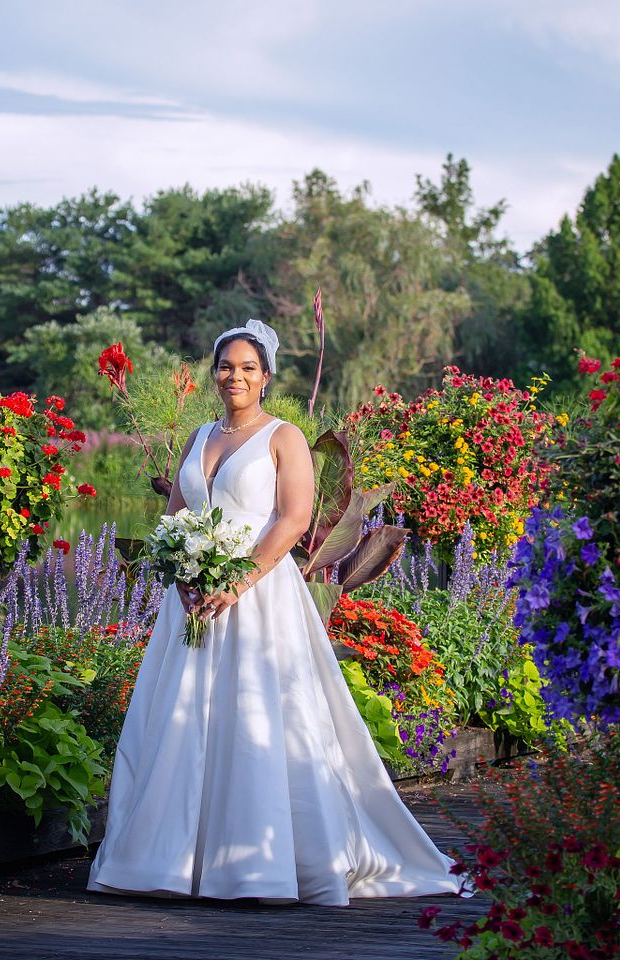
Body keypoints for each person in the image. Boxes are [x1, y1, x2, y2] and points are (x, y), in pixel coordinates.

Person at [87, 319, 466, 906]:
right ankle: (167, 860)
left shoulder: (283, 437)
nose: (234, 376)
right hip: (191, 597)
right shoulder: (197, 437)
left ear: (265, 376)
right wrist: (183, 574)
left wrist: (236, 579)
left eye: (247, 368)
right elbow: (173, 515)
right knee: (181, 721)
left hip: (258, 596)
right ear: (214, 374)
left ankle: (260, 865)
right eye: (225, 367)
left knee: (256, 719)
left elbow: (293, 519)